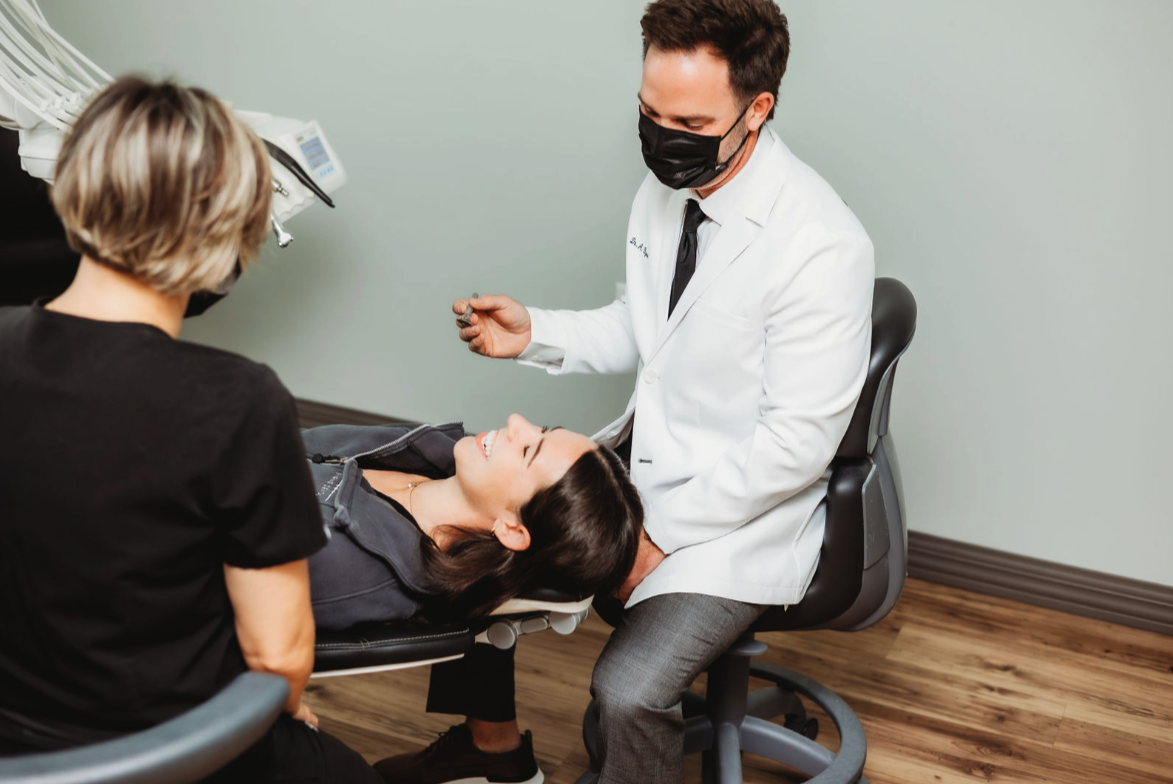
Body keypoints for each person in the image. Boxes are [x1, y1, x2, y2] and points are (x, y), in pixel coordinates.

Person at [384, 1, 876, 783]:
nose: (659, 135)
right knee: (458, 541)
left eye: (685, 118)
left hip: (735, 517)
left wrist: (654, 533)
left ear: (757, 108)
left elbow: (793, 448)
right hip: (640, 468)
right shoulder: (671, 187)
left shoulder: (820, 247)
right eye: (648, 111)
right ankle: (493, 751)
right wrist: (532, 333)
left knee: (625, 693)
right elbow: (649, 330)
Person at [0, 77, 381, 783]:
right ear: (227, 238)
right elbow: (276, 657)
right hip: (161, 753)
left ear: (73, 192)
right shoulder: (237, 401)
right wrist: (284, 705)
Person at [303, 416, 644, 631]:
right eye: (540, 428)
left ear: (511, 529)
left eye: (528, 450)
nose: (515, 422)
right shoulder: (428, 449)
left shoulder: (363, 569)